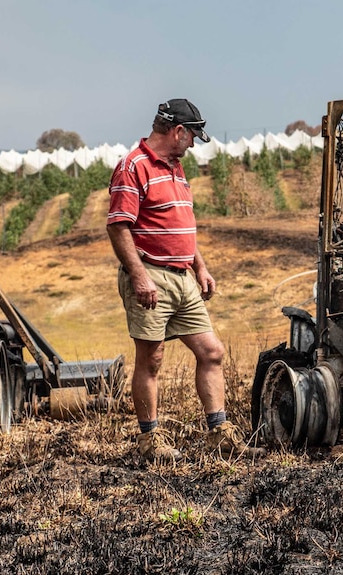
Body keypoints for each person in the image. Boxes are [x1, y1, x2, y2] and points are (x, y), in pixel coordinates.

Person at [106, 98, 265, 462]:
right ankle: (150, 441)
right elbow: (118, 227)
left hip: (183, 278)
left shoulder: (176, 168)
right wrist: (139, 277)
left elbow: (178, 226)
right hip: (152, 277)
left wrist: (200, 266)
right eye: (192, 136)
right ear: (177, 131)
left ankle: (220, 434)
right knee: (152, 359)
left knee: (212, 352)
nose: (193, 144)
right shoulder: (133, 167)